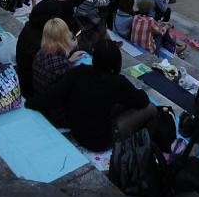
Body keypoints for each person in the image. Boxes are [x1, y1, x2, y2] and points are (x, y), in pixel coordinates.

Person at [27, 39, 155, 152]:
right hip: (100, 141)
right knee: (150, 108)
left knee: (120, 102)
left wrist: (30, 103)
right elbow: (143, 101)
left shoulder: (78, 72)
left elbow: (52, 95)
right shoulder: (117, 82)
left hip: (77, 131)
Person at [32, 18, 86, 98]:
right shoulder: (61, 64)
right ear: (63, 38)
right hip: (50, 103)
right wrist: (70, 49)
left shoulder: (41, 52)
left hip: (38, 96)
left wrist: (69, 60)